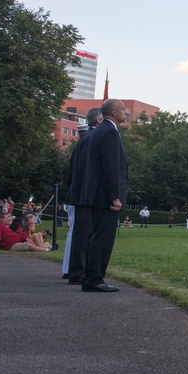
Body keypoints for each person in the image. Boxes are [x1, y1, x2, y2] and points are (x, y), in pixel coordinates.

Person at [77, 98, 129, 292]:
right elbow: (111, 166)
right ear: (114, 112)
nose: (126, 113)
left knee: (96, 236)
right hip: (104, 196)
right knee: (103, 238)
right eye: (123, 109)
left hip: (95, 193)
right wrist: (115, 195)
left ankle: (91, 277)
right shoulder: (109, 132)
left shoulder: (99, 130)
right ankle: (95, 279)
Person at [65, 108, 103, 282]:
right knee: (82, 234)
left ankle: (75, 270)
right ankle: (78, 271)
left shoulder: (86, 139)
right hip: (84, 195)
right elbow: (87, 171)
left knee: (79, 233)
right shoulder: (91, 139)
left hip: (80, 193)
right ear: (98, 121)